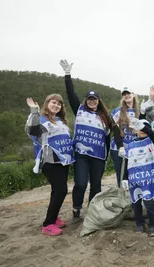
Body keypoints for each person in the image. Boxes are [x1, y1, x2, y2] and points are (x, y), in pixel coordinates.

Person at [59, 60, 112, 223]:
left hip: (98, 156)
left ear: (98, 100)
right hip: (81, 155)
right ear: (86, 100)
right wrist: (67, 75)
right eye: (89, 99)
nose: (91, 101)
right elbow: (71, 95)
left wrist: (107, 155)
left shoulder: (105, 117)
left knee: (96, 185)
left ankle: (93, 210)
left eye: (94, 99)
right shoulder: (80, 110)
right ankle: (76, 208)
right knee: (81, 183)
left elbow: (108, 137)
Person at [25, 95, 75, 236]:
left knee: (56, 191)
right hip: (49, 161)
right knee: (61, 190)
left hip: (63, 161)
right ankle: (48, 224)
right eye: (53, 102)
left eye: (59, 104)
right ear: (47, 104)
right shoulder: (41, 119)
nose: (56, 105)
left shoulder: (61, 121)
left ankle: (54, 218)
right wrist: (34, 111)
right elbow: (31, 130)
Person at [121, 118, 154, 237]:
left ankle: (153, 225)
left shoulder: (151, 141)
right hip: (134, 179)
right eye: (139, 128)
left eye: (145, 127)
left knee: (149, 202)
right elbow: (127, 162)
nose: (142, 130)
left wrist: (144, 127)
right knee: (136, 203)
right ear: (135, 131)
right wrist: (125, 178)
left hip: (148, 178)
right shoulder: (130, 145)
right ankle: (139, 224)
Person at [110, 87, 140, 187]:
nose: (126, 95)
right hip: (119, 148)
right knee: (121, 175)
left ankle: (133, 198)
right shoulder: (117, 112)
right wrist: (121, 146)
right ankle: (122, 197)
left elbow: (143, 131)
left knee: (133, 174)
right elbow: (116, 131)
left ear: (133, 95)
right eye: (124, 94)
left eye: (129, 93)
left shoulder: (140, 112)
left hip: (134, 149)